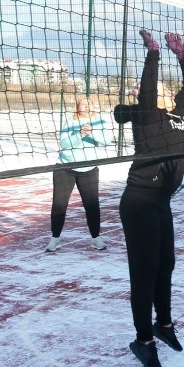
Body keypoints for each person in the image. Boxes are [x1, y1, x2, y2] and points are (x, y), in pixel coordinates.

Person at [113, 29, 184, 367]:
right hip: (139, 202)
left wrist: (183, 55)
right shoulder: (148, 116)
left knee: (167, 265)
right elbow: (147, 89)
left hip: (161, 202)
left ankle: (163, 324)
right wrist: (152, 54)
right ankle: (143, 340)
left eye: (162, 89)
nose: (155, 91)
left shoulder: (177, 113)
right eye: (153, 90)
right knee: (145, 273)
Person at [46, 97, 113, 252]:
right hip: (65, 168)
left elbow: (107, 140)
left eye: (89, 103)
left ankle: (95, 239)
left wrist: (92, 132)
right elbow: (63, 144)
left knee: (92, 205)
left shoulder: (99, 121)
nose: (87, 106)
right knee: (59, 205)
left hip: (88, 170)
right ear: (78, 107)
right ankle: (55, 239)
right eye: (83, 104)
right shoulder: (70, 121)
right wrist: (79, 135)